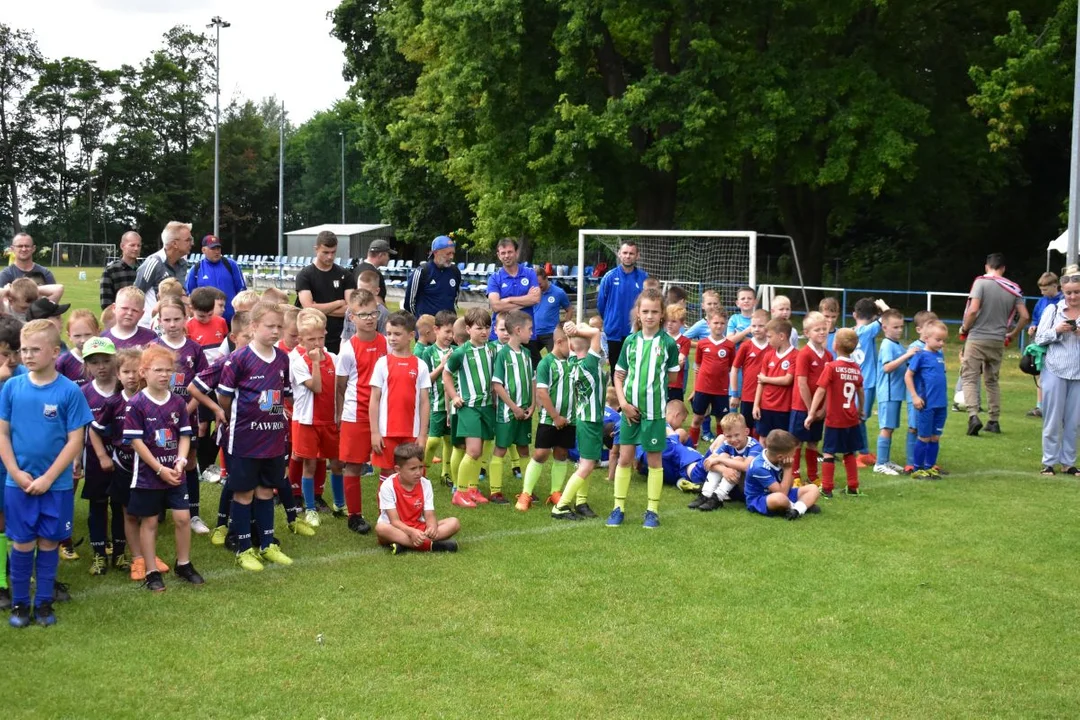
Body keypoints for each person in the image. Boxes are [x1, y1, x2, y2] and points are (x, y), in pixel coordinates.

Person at [0, 320, 93, 627]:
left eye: (35, 350)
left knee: (50, 542)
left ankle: (43, 603)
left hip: (57, 486)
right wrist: (15, 472)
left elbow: (75, 441)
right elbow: (2, 434)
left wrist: (48, 478)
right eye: (24, 349)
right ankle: (19, 604)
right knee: (22, 543)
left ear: (55, 352)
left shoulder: (69, 391)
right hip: (18, 484)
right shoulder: (12, 387)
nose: (27, 355)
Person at [217, 302, 294, 571]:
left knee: (266, 491)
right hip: (245, 440)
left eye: (279, 326)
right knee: (244, 493)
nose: (275, 331)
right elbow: (224, 398)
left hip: (273, 441)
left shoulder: (282, 358)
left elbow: (282, 396)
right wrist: (236, 420)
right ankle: (243, 548)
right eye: (269, 326)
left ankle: (267, 544)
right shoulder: (238, 359)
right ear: (253, 326)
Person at [123, 344, 204, 592]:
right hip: (149, 475)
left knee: (183, 518)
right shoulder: (136, 403)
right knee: (150, 522)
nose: (164, 375)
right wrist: (159, 469)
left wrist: (180, 461)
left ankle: (183, 564)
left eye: (168, 370)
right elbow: (136, 442)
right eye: (158, 370)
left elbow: (185, 435)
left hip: (175, 473)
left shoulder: (178, 402)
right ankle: (151, 571)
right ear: (144, 372)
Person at [608, 289, 680, 529]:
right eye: (645, 311)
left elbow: (671, 378)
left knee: (654, 461)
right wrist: (623, 404)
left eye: (654, 312)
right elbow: (619, 375)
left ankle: (652, 511)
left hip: (655, 414)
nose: (649, 316)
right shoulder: (630, 342)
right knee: (625, 458)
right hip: (629, 412)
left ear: (662, 315)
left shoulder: (668, 344)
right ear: (638, 313)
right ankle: (618, 507)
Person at [153, 296, 209, 534]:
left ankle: (193, 514)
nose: (172, 324)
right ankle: (157, 509)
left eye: (177, 319)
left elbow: (203, 385)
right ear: (159, 321)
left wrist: (186, 412)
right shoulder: (152, 348)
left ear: (186, 318)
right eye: (167, 320)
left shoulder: (194, 349)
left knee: (189, 461)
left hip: (188, 417)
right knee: (159, 459)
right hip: (157, 419)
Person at [959, 252, 1029, 436]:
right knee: (992, 381)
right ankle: (994, 420)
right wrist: (1013, 334)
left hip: (977, 338)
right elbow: (1025, 316)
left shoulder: (981, 283)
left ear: (986, 266)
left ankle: (973, 416)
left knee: (969, 377)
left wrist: (964, 328)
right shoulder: (1014, 288)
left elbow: (973, 310)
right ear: (1003, 268)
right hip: (998, 339)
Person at [335, 289, 387, 533]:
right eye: (363, 314)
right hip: (356, 415)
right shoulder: (347, 349)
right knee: (353, 466)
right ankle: (354, 515)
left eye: (373, 313)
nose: (369, 318)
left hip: (384, 415)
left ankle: (387, 514)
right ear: (351, 317)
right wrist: (339, 414)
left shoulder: (386, 343)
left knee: (388, 465)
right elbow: (341, 386)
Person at [288, 308, 344, 526]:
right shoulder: (298, 361)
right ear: (301, 340)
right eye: (311, 339)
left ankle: (340, 504)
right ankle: (310, 509)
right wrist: (314, 363)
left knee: (337, 463)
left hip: (329, 420)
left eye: (320, 338)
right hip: (307, 421)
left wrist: (339, 414)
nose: (317, 344)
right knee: (309, 465)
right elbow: (317, 387)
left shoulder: (333, 358)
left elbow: (338, 389)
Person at [550, 320, 606, 520]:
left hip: (584, 419)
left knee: (585, 461)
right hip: (590, 421)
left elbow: (578, 342)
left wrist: (570, 331)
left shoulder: (573, 361)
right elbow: (596, 332)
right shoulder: (590, 363)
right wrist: (577, 330)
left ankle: (581, 502)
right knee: (587, 465)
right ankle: (561, 506)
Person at [444, 308, 496, 508]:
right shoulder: (461, 352)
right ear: (468, 329)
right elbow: (446, 374)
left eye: (487, 327)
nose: (484, 332)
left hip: (487, 406)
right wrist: (455, 396)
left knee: (479, 450)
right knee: (472, 450)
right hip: (469, 407)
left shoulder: (491, 349)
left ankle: (473, 489)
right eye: (479, 328)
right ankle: (460, 492)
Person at [518, 324, 573, 511]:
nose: (574, 349)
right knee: (541, 453)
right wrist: (555, 416)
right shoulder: (546, 363)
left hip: (569, 418)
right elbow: (542, 392)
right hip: (550, 419)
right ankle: (526, 493)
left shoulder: (573, 362)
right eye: (571, 344)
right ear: (560, 342)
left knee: (561, 453)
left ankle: (555, 492)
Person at [369, 311, 431, 479]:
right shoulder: (382, 363)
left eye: (397, 334)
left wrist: (422, 435)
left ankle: (411, 499)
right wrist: (375, 432)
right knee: (388, 474)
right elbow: (374, 399)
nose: (392, 338)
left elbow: (424, 402)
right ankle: (386, 498)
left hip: (412, 432)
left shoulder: (420, 365)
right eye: (389, 333)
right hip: (386, 432)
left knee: (414, 473)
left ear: (411, 335)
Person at [80, 337, 122, 576]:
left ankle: (120, 552)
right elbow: (79, 430)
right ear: (87, 366)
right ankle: (98, 554)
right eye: (94, 362)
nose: (101, 367)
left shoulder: (124, 387)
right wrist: (76, 461)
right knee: (97, 505)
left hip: (124, 458)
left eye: (106, 360)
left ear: (115, 360)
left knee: (120, 505)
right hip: (95, 460)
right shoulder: (83, 393)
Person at [806, 328, 864, 499]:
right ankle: (853, 486)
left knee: (829, 452)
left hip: (835, 418)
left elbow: (820, 390)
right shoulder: (856, 368)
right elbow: (860, 391)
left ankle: (827, 488)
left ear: (835, 345)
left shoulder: (831, 367)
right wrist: (861, 409)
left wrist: (811, 413)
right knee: (850, 451)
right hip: (851, 417)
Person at [375, 442, 460, 554]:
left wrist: (432, 527)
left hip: (419, 528)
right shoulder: (388, 486)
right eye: (413, 469)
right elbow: (394, 521)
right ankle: (431, 546)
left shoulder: (425, 484)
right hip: (396, 528)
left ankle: (404, 544)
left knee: (454, 523)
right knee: (381, 528)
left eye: (421, 467)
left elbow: (429, 514)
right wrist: (411, 532)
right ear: (398, 469)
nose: (418, 473)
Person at [1035, 268, 1080, 475]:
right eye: (1069, 292)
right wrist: (1057, 330)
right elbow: (1039, 338)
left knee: (1073, 421)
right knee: (1052, 418)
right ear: (1062, 291)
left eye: (1077, 292)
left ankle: (1068, 462)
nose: (1073, 296)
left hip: (1077, 372)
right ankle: (1049, 462)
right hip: (1054, 369)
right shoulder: (1053, 310)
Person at [488, 310, 534, 504]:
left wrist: (533, 405)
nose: (532, 333)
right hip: (508, 412)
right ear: (518, 330)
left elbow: (532, 380)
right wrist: (514, 407)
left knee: (524, 449)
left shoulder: (527, 353)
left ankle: (527, 490)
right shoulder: (503, 354)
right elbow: (497, 385)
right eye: (529, 329)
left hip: (525, 411)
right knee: (501, 448)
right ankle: (495, 491)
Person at [789, 312, 832, 485]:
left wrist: (823, 409)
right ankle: (795, 476)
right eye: (817, 330)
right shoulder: (804, 354)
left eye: (824, 329)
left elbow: (829, 385)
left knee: (813, 442)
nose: (821, 332)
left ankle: (813, 476)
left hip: (819, 409)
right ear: (807, 333)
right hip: (802, 407)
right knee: (797, 442)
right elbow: (802, 383)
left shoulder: (828, 356)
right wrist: (810, 410)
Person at [295, 231, 354, 355]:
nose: (330, 257)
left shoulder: (346, 275)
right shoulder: (304, 276)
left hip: (340, 338)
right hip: (313, 339)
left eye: (333, 252)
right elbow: (308, 308)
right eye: (326, 252)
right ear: (316, 249)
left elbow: (351, 310)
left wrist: (318, 308)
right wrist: (338, 303)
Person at [689, 412, 762, 511]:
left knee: (737, 459)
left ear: (746, 431)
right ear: (724, 435)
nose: (733, 439)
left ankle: (718, 498)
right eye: (729, 436)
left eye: (737, 435)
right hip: (732, 486)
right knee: (723, 455)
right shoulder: (727, 444)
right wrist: (724, 470)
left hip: (749, 489)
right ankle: (706, 495)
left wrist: (720, 459)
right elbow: (708, 462)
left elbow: (746, 466)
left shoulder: (754, 446)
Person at [743, 429, 820, 520]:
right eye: (792, 454)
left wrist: (788, 469)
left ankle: (796, 510)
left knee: (813, 488)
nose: (794, 456)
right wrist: (788, 469)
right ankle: (800, 506)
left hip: (782, 491)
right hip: (761, 499)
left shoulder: (780, 460)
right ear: (780, 456)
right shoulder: (759, 467)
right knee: (779, 498)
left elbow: (789, 485)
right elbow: (782, 493)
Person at [905, 320, 949, 480]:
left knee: (935, 437)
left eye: (943, 340)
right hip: (927, 404)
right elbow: (908, 376)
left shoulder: (940, 355)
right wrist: (915, 396)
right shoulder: (920, 356)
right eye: (938, 340)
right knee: (923, 437)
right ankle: (917, 468)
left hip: (941, 404)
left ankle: (930, 467)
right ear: (926, 338)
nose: (941, 343)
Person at [875, 309, 916, 476]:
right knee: (886, 427)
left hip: (896, 393)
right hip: (888, 393)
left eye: (901, 327)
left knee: (890, 427)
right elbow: (887, 367)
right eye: (895, 327)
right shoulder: (887, 345)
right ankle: (879, 463)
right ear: (885, 328)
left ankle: (885, 460)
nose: (899, 330)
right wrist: (906, 356)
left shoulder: (897, 344)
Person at [596, 240, 647, 371]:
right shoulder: (609, 277)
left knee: (635, 370)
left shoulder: (643, 278)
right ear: (619, 254)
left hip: (636, 331)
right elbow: (601, 304)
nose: (628, 256)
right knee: (616, 370)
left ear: (637, 256)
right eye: (625, 253)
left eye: (631, 253)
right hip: (614, 332)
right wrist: (610, 320)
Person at [418, 311, 456, 485]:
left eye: (453, 332)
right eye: (447, 331)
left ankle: (445, 474)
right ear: (436, 329)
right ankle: (421, 471)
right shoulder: (428, 352)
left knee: (449, 440)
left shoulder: (456, 351)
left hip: (453, 404)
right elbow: (425, 380)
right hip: (435, 403)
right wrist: (442, 365)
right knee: (433, 440)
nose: (450, 336)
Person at [851, 297, 889, 465]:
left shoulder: (850, 332)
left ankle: (864, 452)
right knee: (858, 419)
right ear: (874, 317)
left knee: (861, 418)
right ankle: (852, 455)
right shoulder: (869, 330)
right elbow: (889, 317)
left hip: (857, 380)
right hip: (866, 382)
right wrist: (883, 306)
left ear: (854, 315)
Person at [134, 221, 192, 327]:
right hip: (150, 326)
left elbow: (181, 293)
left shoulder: (183, 263)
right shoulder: (154, 262)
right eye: (188, 240)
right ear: (174, 244)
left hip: (173, 326)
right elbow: (136, 293)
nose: (192, 243)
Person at [689, 310, 734, 445]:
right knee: (697, 419)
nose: (719, 326)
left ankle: (720, 450)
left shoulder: (729, 345)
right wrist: (695, 388)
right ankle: (692, 448)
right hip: (703, 388)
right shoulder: (702, 344)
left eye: (722, 323)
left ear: (726, 324)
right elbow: (698, 366)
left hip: (721, 390)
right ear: (709, 323)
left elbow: (730, 367)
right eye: (715, 323)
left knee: (721, 421)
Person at [486, 237, 540, 350]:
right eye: (503, 253)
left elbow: (535, 299)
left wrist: (509, 299)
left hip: (526, 333)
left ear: (516, 252)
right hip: (501, 334)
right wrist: (527, 299)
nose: (506, 256)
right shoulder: (494, 278)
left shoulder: (530, 273)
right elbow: (496, 306)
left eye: (510, 252)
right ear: (498, 255)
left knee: (530, 361)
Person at [185, 234, 246, 324]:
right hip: (207, 321)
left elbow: (242, 292)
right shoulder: (196, 269)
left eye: (218, 248)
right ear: (203, 250)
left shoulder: (231, 265)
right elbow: (189, 294)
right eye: (213, 249)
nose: (217, 251)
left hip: (231, 320)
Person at [1027, 272, 1063, 418]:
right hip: (1041, 341)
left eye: (1045, 289)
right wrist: (1033, 326)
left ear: (1055, 286)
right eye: (1041, 290)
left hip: (1058, 342)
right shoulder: (1041, 301)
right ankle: (1040, 406)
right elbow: (1036, 317)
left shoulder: (1063, 300)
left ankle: (1058, 406)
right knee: (1041, 372)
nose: (1043, 293)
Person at [753, 318, 796, 438]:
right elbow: (760, 381)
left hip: (783, 408)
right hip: (765, 405)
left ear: (781, 336)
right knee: (763, 437)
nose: (768, 340)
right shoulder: (768, 355)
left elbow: (787, 380)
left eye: (770, 337)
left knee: (782, 439)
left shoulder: (795, 356)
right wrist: (756, 405)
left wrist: (766, 379)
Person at [729, 310, 769, 434]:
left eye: (761, 326)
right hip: (748, 395)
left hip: (767, 397)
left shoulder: (773, 347)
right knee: (747, 429)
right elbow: (734, 369)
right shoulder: (746, 346)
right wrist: (735, 394)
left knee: (763, 431)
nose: (756, 329)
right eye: (753, 326)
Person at [404, 235, 461, 318]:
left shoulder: (455, 271)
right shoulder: (422, 271)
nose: (451, 257)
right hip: (427, 324)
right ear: (435, 252)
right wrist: (420, 320)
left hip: (448, 324)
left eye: (453, 253)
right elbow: (409, 302)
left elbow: (455, 297)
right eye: (448, 253)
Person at [532, 268, 570, 365]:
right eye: (535, 284)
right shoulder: (532, 292)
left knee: (557, 360)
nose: (538, 286)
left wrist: (564, 325)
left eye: (539, 283)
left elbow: (569, 310)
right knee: (532, 360)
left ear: (546, 278)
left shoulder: (559, 292)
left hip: (551, 333)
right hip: (534, 333)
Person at [57, 309, 100, 388]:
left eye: (88, 334)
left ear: (98, 332)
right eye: (77, 336)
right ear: (69, 336)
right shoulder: (63, 362)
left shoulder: (106, 358)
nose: (83, 340)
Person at [99, 231, 142, 309]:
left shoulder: (143, 269)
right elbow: (106, 304)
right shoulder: (110, 271)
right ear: (122, 246)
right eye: (132, 245)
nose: (136, 248)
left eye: (138, 245)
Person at [355, 238, 395, 303]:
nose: (388, 258)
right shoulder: (375, 274)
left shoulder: (357, 269)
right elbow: (378, 301)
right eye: (388, 255)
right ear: (380, 255)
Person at [664, 305, 691, 402]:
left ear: (682, 323)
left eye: (674, 321)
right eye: (667, 320)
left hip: (675, 384)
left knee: (675, 409)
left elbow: (680, 362)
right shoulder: (660, 338)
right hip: (658, 383)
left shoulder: (684, 341)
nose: (669, 324)